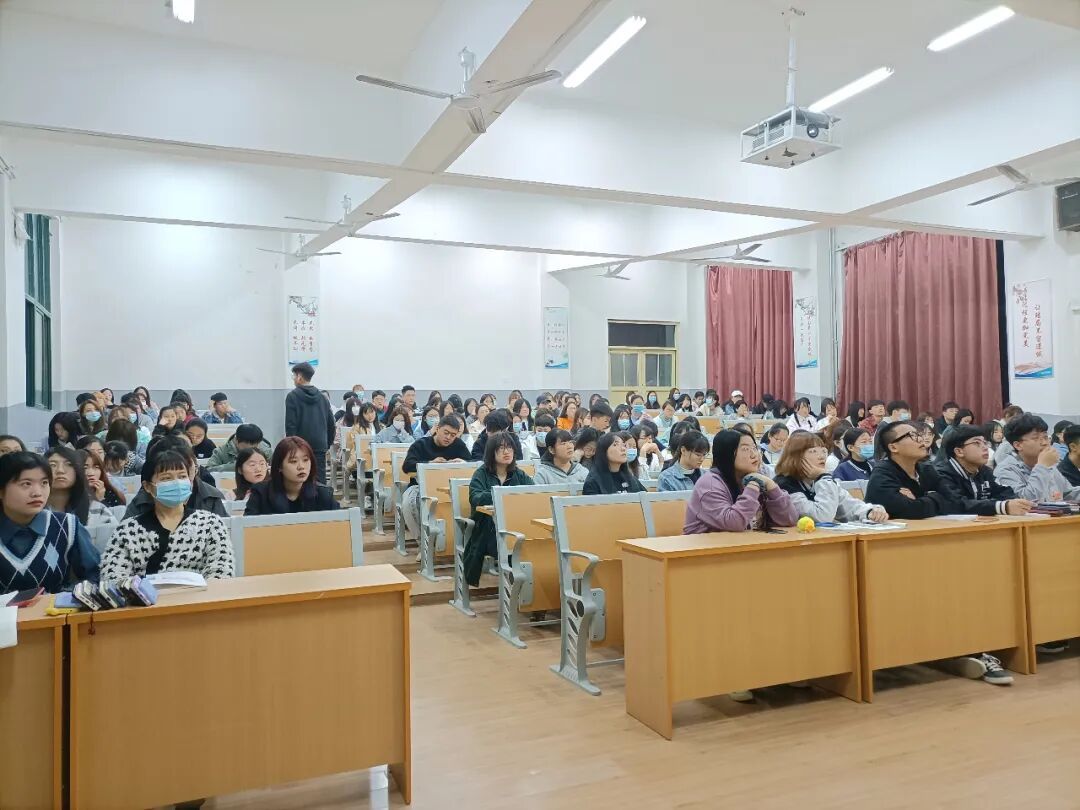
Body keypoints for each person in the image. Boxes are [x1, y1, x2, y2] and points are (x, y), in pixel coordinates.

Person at [102, 449, 234, 580]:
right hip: (145, 594)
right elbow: (112, 577)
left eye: (182, 476)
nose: (177, 483)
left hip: (201, 593)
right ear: (148, 486)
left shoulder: (210, 524)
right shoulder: (128, 531)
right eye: (166, 478)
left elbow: (221, 570)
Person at [0, 451, 100, 592]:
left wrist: (65, 597)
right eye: (26, 484)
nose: (37, 493)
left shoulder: (66, 525)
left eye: (44, 483)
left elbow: (94, 576)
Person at [685, 429, 798, 535]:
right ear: (727, 454)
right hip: (706, 547)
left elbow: (789, 519)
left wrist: (771, 485)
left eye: (754, 448)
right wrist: (753, 484)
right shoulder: (709, 484)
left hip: (743, 545)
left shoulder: (753, 477)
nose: (754, 454)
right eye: (745, 449)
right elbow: (735, 523)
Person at [463, 432, 535, 585]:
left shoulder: (519, 474)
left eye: (509, 448)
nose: (506, 452)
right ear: (491, 452)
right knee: (512, 546)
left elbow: (533, 494)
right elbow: (475, 497)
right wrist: (501, 495)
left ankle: (523, 586)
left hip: (517, 525)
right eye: (501, 448)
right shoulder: (481, 473)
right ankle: (515, 586)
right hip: (487, 529)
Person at [773, 432, 889, 524]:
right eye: (813, 451)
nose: (821, 456)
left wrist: (870, 511)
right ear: (796, 457)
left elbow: (848, 505)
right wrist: (823, 478)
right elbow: (822, 517)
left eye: (823, 451)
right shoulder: (785, 485)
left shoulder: (822, 479)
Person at [934, 425, 1034, 517]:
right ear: (959, 452)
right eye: (977, 443)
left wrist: (1017, 503)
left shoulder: (984, 471)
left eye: (985, 443)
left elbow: (1004, 492)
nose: (985, 447)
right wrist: (1002, 507)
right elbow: (957, 503)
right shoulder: (941, 474)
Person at [400, 415, 471, 540]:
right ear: (437, 429)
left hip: (449, 487)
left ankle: (458, 540)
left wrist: (463, 462)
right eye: (446, 433)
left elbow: (473, 463)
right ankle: (422, 540)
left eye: (453, 435)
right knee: (408, 503)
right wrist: (429, 463)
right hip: (421, 486)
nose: (448, 438)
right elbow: (407, 466)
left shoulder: (458, 445)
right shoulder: (421, 444)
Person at [864, 421, 952, 519]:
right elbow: (910, 510)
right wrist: (936, 497)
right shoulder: (882, 474)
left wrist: (920, 499)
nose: (921, 439)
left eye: (919, 435)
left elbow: (953, 501)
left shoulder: (926, 469)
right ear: (893, 447)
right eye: (912, 435)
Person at [123, 437, 227, 520]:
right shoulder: (142, 501)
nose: (177, 481)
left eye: (183, 471)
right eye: (167, 476)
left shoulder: (210, 498)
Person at [995, 414, 1080, 502]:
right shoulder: (1005, 470)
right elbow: (1026, 502)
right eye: (1036, 438)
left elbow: (1069, 494)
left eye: (1045, 437)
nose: (1044, 443)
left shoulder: (1049, 466)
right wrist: (1042, 466)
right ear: (1018, 445)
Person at [245, 437, 339, 515]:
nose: (301, 467)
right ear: (279, 466)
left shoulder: (323, 495)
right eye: (293, 461)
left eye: (305, 460)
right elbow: (248, 528)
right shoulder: (260, 494)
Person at [284, 361, 336, 485]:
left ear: (299, 377)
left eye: (294, 376)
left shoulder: (292, 396)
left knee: (301, 478)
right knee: (319, 480)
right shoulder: (323, 397)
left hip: (300, 446)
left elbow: (291, 425)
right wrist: (326, 444)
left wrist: (291, 447)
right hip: (320, 445)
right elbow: (331, 424)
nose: (293, 379)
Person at [44, 446, 96, 527]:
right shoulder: (32, 509)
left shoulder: (96, 510)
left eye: (68, 464)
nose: (60, 470)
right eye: (52, 465)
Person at [582, 432, 647, 496]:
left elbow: (646, 498)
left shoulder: (630, 478)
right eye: (615, 445)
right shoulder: (593, 482)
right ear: (604, 451)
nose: (623, 449)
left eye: (624, 445)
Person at [206, 423, 272, 472]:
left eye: (254, 448)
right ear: (236, 441)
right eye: (246, 448)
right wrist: (236, 466)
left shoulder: (266, 451)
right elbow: (208, 470)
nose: (250, 451)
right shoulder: (221, 452)